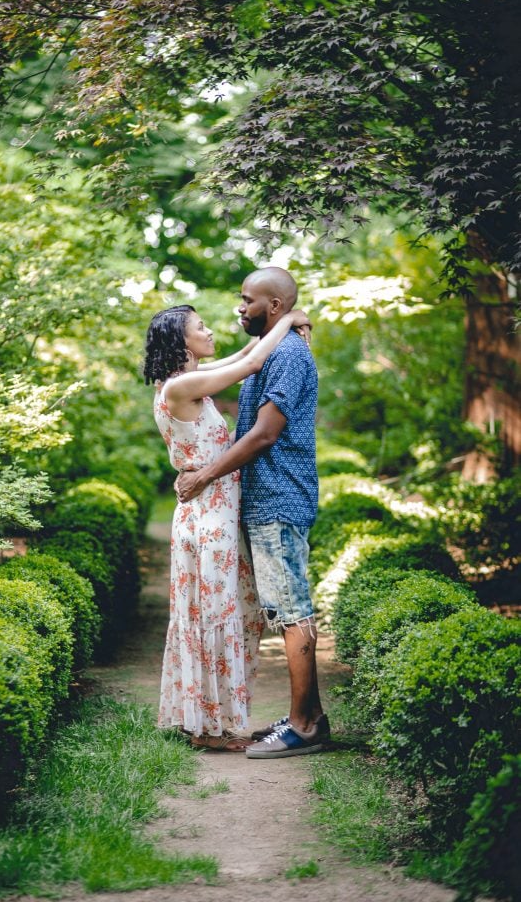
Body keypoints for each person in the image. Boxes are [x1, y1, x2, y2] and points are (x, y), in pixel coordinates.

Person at [144, 303, 311, 751]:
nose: (210, 329)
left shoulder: (183, 380)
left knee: (215, 614)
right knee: (214, 616)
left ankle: (208, 722)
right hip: (209, 516)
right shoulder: (183, 385)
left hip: (211, 511)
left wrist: (277, 326)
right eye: (201, 327)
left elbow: (243, 354)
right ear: (182, 341)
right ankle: (208, 730)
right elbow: (253, 363)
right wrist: (287, 322)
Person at [177, 267, 329, 758]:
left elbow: (264, 434)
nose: (240, 308)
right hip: (263, 500)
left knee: (290, 611)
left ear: (275, 307)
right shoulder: (271, 350)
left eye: (248, 300)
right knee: (283, 608)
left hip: (279, 500)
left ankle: (305, 726)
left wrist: (204, 476)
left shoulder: (286, 354)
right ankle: (309, 715)